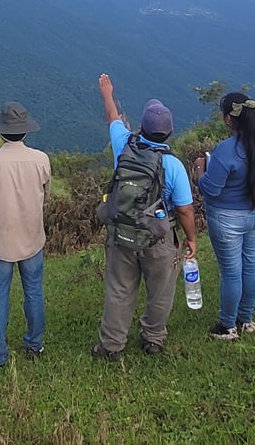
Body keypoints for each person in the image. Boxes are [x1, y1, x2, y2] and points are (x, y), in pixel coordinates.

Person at [92, 73, 196, 359]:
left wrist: (107, 92)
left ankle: (111, 345)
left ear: (140, 128)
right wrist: (190, 238)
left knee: (119, 290)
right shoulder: (173, 165)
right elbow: (185, 208)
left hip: (121, 233)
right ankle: (153, 338)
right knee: (161, 291)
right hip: (159, 238)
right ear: (170, 133)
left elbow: (112, 115)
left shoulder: (123, 144)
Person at [0, 101, 51, 368]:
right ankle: (35, 343)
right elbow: (45, 196)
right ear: (25, 131)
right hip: (32, 238)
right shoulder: (41, 160)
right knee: (33, 291)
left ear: (0, 131)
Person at [194, 92, 255, 340]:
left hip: (228, 217)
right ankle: (246, 319)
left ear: (229, 119)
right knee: (249, 264)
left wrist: (199, 171)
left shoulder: (225, 150)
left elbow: (211, 188)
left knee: (231, 271)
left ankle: (227, 326)